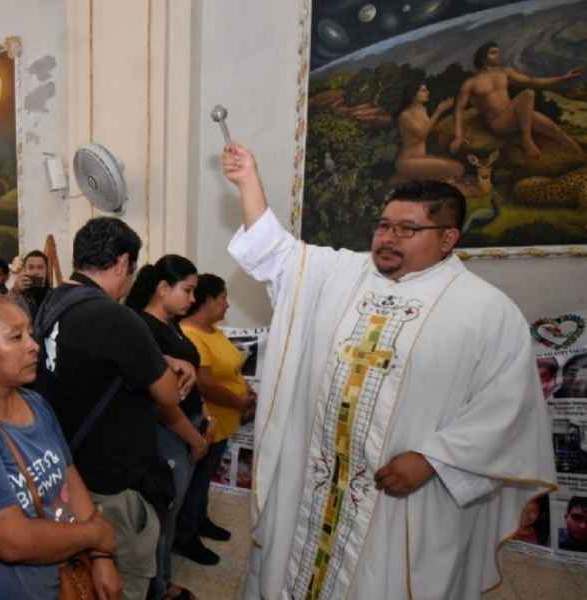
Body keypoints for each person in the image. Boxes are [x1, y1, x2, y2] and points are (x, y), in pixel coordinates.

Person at [222, 142, 555, 600]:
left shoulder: (486, 311)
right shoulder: (341, 273)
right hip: (315, 481)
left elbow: (507, 409)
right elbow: (276, 253)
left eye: (407, 229)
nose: (388, 238)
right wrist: (248, 181)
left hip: (405, 496)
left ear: (448, 238)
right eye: (384, 225)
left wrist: (434, 460)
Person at [34, 217, 207, 600]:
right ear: (123, 262)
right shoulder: (115, 316)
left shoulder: (51, 303)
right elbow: (167, 394)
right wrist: (173, 367)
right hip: (112, 482)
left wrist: (158, 356)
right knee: (122, 580)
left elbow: (92, 360)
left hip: (66, 466)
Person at [0, 294, 122, 599]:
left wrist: (100, 557)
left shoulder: (34, 403)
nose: (33, 345)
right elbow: (12, 540)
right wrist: (95, 534)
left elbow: (69, 478)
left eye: (30, 333)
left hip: (64, 581)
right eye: (16, 337)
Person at [124, 255, 208, 600]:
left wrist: (204, 415)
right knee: (162, 514)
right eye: (187, 290)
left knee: (172, 512)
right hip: (171, 432)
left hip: (189, 425)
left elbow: (189, 380)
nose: (192, 299)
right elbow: (162, 403)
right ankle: (158, 588)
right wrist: (194, 437)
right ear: (162, 288)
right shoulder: (144, 329)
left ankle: (163, 579)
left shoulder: (171, 324)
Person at [176, 273, 255, 565]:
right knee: (194, 483)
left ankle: (201, 520)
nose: (227, 304)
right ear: (207, 300)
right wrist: (239, 401)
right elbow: (206, 385)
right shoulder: (190, 334)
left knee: (204, 479)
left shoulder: (212, 331)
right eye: (223, 298)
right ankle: (185, 538)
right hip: (206, 423)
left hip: (224, 422)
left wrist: (246, 390)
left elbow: (231, 370)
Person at [451, 41, 584, 158]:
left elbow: (532, 81)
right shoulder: (471, 83)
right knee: (527, 94)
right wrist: (458, 136)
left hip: (517, 116)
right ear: (483, 58)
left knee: (555, 130)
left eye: (498, 52)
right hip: (498, 123)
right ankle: (527, 139)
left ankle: (582, 156)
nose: (498, 55)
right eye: (493, 53)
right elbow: (459, 109)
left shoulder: (505, 72)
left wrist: (562, 78)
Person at [393, 81, 463, 183]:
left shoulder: (423, 110)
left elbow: (430, 129)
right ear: (413, 95)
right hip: (408, 160)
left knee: (458, 168)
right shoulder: (405, 115)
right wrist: (439, 111)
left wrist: (456, 137)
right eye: (423, 90)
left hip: (422, 157)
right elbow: (422, 134)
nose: (428, 92)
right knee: (456, 169)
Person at [12, 250, 53, 316]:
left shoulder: (54, 297)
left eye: (40, 267)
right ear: (25, 270)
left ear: (47, 271)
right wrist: (16, 291)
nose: (35, 272)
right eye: (31, 267)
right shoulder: (17, 295)